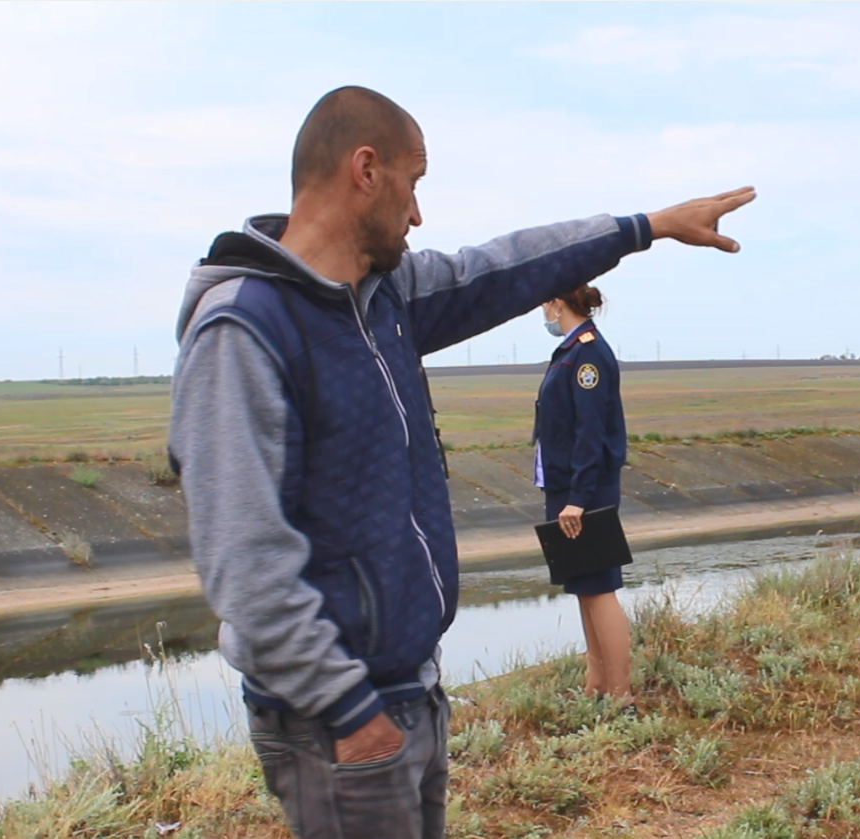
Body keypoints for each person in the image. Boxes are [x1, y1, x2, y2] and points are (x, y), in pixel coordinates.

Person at [167, 85, 754, 839]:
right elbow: (244, 560)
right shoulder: (245, 329)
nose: (417, 214)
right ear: (366, 169)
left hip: (410, 691)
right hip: (337, 721)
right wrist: (350, 709)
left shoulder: (387, 300)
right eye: (414, 185)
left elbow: (505, 265)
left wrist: (646, 227)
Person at [532, 284, 632, 699]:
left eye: (543, 302)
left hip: (583, 490)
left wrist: (578, 497)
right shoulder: (571, 350)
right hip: (565, 485)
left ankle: (621, 694)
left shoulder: (586, 352)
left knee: (599, 587)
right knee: (584, 588)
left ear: (557, 302)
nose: (541, 312)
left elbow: (590, 431)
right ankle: (596, 685)